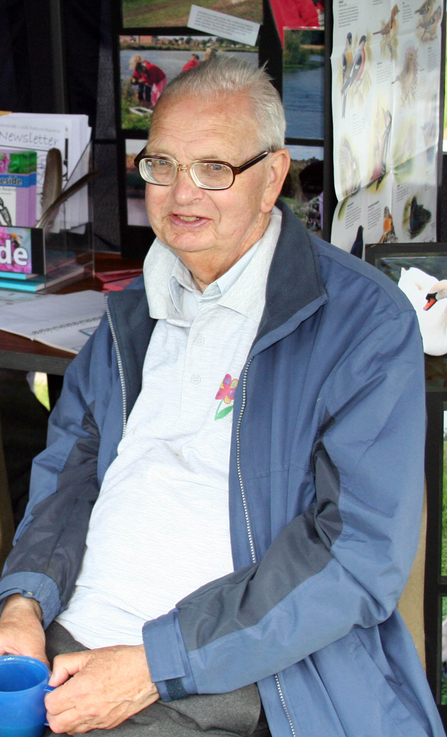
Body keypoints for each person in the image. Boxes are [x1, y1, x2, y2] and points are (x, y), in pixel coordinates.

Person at [0, 56, 444, 737]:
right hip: (66, 649)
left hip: (221, 677)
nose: (183, 194)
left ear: (271, 178)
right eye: (163, 165)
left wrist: (152, 664)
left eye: (214, 168)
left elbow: (356, 554)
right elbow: (69, 474)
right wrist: (23, 602)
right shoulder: (129, 318)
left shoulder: (362, 323)